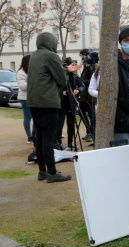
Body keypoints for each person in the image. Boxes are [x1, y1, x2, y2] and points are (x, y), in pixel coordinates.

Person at [27, 32, 81, 183]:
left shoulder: (35, 55)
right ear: (52, 42)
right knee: (48, 139)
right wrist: (66, 71)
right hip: (47, 102)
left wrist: (65, 70)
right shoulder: (50, 55)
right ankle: (52, 173)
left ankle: (42, 171)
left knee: (40, 137)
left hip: (34, 102)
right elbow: (60, 80)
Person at [56, 57, 85, 150]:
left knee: (71, 123)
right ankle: (58, 142)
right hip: (61, 102)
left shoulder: (74, 76)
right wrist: (62, 92)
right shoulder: (60, 75)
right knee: (59, 123)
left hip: (71, 102)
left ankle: (70, 142)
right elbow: (55, 86)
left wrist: (78, 90)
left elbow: (82, 85)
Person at [78, 48, 95, 142]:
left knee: (91, 115)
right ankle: (88, 131)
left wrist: (81, 81)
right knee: (82, 113)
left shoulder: (92, 67)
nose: (82, 58)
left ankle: (91, 132)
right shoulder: (86, 67)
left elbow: (92, 81)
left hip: (90, 96)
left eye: (82, 55)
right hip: (84, 95)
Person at [16, 54, 34, 144]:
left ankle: (35, 135)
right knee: (28, 118)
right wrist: (33, 81)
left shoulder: (32, 70)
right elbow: (22, 86)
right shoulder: (21, 73)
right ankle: (29, 137)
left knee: (36, 117)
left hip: (33, 97)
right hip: (25, 98)